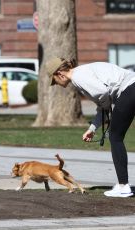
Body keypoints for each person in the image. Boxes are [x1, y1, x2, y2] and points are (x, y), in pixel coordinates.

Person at [46, 57, 135, 198]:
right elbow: (103, 106)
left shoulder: (79, 77)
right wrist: (92, 128)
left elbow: (102, 94)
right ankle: (122, 185)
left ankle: (123, 186)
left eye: (54, 80)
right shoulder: (81, 73)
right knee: (116, 136)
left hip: (129, 91)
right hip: (131, 88)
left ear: (60, 74)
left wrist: (106, 107)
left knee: (115, 137)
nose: (55, 84)